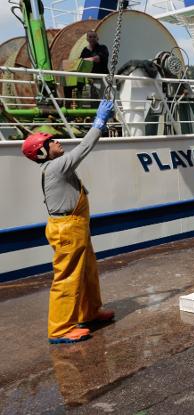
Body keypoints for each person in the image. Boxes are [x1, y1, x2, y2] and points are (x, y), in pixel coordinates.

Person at [21, 99, 115, 344]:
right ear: (42, 152)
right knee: (67, 277)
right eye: (50, 142)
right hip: (67, 229)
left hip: (75, 226)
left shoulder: (56, 166)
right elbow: (84, 148)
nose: (56, 141)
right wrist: (99, 122)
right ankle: (60, 328)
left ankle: (89, 312)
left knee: (87, 271)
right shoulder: (56, 168)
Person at [80, 30, 109, 105]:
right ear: (87, 39)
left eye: (94, 37)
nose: (92, 38)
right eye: (90, 37)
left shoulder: (103, 48)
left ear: (97, 38)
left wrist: (84, 59)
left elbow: (97, 59)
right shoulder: (85, 50)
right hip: (90, 80)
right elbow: (80, 62)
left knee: (102, 100)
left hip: (102, 79)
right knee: (91, 101)